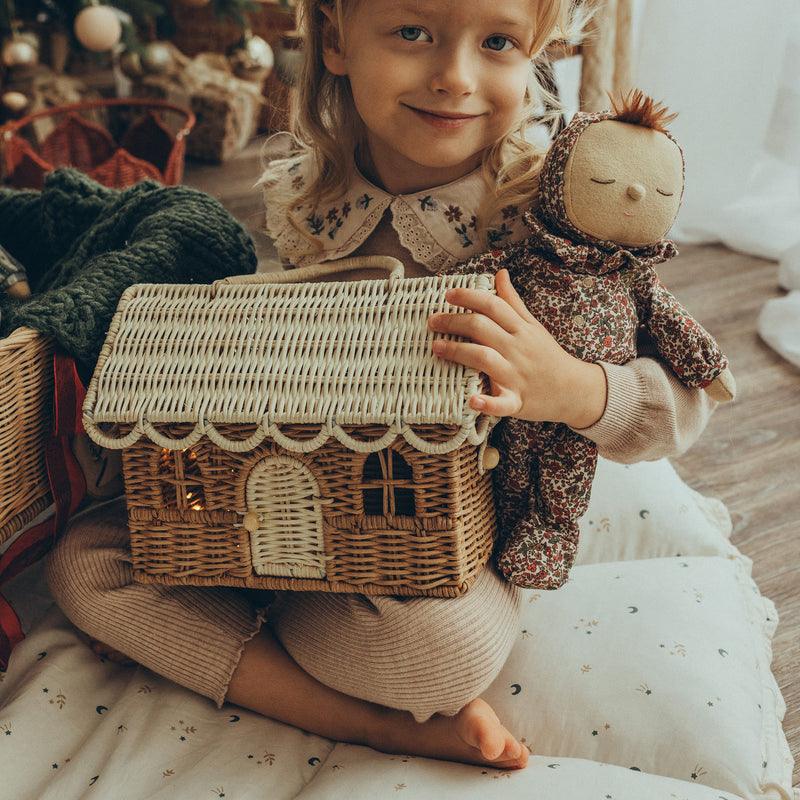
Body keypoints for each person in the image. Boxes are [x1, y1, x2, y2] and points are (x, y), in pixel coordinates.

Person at [45, 0, 717, 773]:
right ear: (335, 39)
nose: (454, 78)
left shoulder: (556, 216)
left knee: (438, 655)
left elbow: (684, 408)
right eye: (413, 33)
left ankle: (267, 642)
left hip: (462, 538)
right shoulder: (312, 197)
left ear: (538, 50)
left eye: (497, 42)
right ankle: (368, 715)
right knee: (85, 563)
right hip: (300, 493)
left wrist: (565, 387)